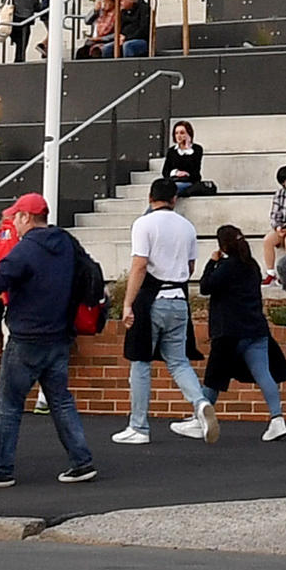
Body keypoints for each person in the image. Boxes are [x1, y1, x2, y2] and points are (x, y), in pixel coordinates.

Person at [0, 198, 103, 482]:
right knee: (60, 400)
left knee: (9, 404)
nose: (13, 222)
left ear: (26, 216)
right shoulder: (65, 241)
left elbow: (2, 277)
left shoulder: (26, 248)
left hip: (27, 336)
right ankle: (81, 461)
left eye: (16, 217)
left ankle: (2, 469)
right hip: (60, 333)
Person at [121, 189, 204, 444]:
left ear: (149, 198)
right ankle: (200, 404)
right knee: (179, 361)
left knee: (140, 361)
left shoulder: (143, 224)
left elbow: (139, 265)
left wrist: (127, 304)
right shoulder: (187, 227)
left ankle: (139, 426)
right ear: (174, 199)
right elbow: (190, 267)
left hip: (151, 301)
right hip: (179, 299)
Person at [200, 220, 286, 441]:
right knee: (263, 374)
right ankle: (277, 419)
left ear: (223, 246)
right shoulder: (252, 266)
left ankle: (199, 417)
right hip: (255, 328)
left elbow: (205, 287)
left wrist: (212, 263)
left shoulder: (226, 267)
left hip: (229, 331)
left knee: (214, 377)